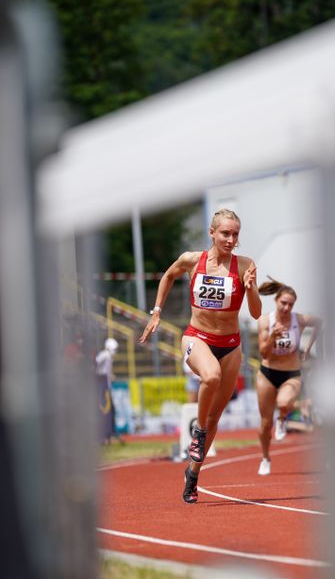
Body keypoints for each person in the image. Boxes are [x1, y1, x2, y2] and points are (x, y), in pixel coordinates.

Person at [139, 209, 262, 503]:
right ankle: (199, 431)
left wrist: (251, 288)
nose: (231, 240)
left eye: (235, 234)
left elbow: (256, 313)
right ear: (212, 233)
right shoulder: (192, 260)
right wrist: (156, 312)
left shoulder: (245, 265)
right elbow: (168, 276)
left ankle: (192, 474)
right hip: (197, 337)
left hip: (231, 345)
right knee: (211, 376)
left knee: (217, 414)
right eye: (225, 233)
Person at [256, 277, 322, 476]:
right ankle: (266, 458)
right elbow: (264, 353)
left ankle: (283, 418)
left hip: (291, 372)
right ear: (276, 301)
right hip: (268, 373)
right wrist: (273, 337)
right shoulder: (265, 321)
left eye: (290, 304)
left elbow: (320, 322)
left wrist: (308, 347)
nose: (286, 308)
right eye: (283, 303)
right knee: (265, 423)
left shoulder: (299, 320)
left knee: (284, 402)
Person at [95, 337, 120, 444]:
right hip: (102, 386)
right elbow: (96, 363)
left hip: (106, 386)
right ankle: (105, 436)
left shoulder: (108, 357)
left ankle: (111, 434)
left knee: (112, 410)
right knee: (106, 410)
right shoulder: (104, 355)